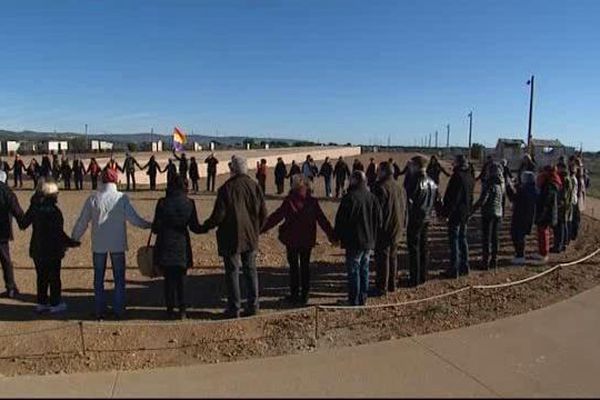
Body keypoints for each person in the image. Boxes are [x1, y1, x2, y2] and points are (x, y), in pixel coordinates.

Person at [71, 168, 152, 320]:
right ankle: (119, 308)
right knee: (119, 278)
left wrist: (74, 238)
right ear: (116, 180)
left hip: (99, 244)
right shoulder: (122, 198)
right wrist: (149, 225)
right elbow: (134, 219)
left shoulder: (93, 198)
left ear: (102, 179)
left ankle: (99, 309)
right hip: (117, 243)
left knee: (98, 278)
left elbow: (82, 222)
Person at [200, 155, 267, 318]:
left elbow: (218, 215)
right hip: (250, 235)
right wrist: (257, 230)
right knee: (251, 270)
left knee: (232, 272)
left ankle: (234, 307)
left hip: (230, 236)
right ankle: (253, 305)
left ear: (233, 169)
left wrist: (205, 227)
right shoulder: (254, 186)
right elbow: (264, 213)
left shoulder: (226, 188)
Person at [261, 175, 335, 305]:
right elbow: (323, 221)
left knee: (294, 268)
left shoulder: (290, 200)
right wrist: (332, 236)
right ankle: (305, 295)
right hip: (307, 240)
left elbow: (276, 217)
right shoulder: (312, 201)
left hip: (292, 240)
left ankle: (295, 294)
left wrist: (261, 228)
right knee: (305, 267)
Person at [19, 180, 80, 313]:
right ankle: (55, 303)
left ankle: (41, 302)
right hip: (52, 249)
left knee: (41, 276)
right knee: (54, 277)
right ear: (52, 195)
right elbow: (59, 233)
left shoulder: (35, 208)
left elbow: (23, 224)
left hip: (37, 247)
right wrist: (71, 242)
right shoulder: (54, 211)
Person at [151, 175, 202, 319]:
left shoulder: (162, 203)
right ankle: (182, 309)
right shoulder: (189, 203)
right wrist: (208, 226)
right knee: (181, 278)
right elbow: (195, 227)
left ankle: (169, 309)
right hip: (182, 244)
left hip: (165, 242)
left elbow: (155, 228)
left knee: (168, 280)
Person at [334, 171, 382, 306]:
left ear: (355, 180)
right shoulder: (372, 198)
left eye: (351, 179)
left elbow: (341, 221)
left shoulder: (349, 198)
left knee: (354, 270)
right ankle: (363, 298)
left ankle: (354, 300)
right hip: (368, 241)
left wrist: (336, 236)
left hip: (354, 241)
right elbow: (380, 220)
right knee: (364, 268)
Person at [372, 161, 405, 295]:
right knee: (393, 256)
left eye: (378, 170)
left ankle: (381, 287)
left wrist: (376, 228)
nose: (377, 173)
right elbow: (405, 209)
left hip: (385, 228)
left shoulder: (380, 187)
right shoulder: (399, 187)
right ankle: (392, 284)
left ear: (384, 172)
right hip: (397, 227)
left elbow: (377, 211)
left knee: (382, 258)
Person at [405, 156, 437, 287]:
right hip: (427, 217)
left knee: (414, 248)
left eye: (412, 164)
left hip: (416, 217)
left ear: (417, 166)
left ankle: (414, 278)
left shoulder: (415, 180)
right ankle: (423, 275)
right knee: (424, 247)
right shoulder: (431, 181)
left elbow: (409, 200)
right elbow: (437, 199)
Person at [441, 154, 475, 278]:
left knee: (454, 241)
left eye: (454, 162)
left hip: (456, 214)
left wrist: (446, 213)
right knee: (462, 239)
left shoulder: (457, 177)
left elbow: (453, 198)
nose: (452, 164)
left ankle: (454, 269)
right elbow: (471, 198)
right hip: (465, 213)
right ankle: (465, 266)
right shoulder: (470, 177)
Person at [472, 162, 505, 270]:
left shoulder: (489, 184)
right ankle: (494, 260)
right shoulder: (501, 184)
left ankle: (485, 261)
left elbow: (483, 200)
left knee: (486, 239)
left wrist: (472, 210)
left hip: (488, 214)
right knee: (495, 238)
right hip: (498, 213)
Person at [0, 170, 25, 298]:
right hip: (2, 231)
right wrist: (23, 222)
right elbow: (15, 209)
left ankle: (11, 287)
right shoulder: (6, 191)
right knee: (5, 260)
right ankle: (11, 288)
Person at [507, 171, 537, 264]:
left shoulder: (525, 190)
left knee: (517, 235)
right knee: (519, 235)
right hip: (526, 216)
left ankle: (520, 256)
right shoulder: (531, 189)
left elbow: (514, 197)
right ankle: (519, 254)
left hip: (521, 216)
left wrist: (509, 187)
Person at [533, 165, 561, 264]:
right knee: (542, 233)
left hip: (546, 214)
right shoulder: (552, 183)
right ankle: (541, 252)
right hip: (546, 213)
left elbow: (545, 202)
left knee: (544, 234)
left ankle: (544, 254)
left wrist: (540, 215)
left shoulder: (549, 186)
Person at [551, 162, 574, 253]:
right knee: (563, 225)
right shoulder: (566, 178)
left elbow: (563, 194)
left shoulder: (565, 179)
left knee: (560, 227)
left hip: (562, 206)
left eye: (559, 167)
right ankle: (563, 244)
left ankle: (559, 246)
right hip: (565, 205)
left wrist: (559, 203)